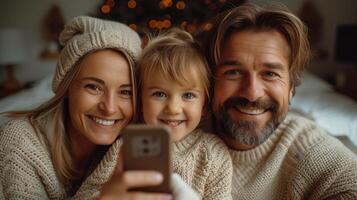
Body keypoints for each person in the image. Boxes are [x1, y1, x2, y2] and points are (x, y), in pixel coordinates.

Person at [0, 16, 198, 200]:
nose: (109, 108)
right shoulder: (19, 141)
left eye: (126, 92)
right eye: (93, 87)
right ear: (67, 88)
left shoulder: (134, 145)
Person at [202, 3, 357, 199]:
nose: (252, 94)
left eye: (270, 74)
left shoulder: (308, 146)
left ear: (291, 88)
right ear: (209, 82)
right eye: (233, 72)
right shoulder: (181, 137)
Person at [137, 28, 232, 200]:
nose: (173, 108)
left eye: (188, 95)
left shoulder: (212, 154)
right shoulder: (125, 146)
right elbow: (88, 193)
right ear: (141, 100)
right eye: (159, 94)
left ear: (204, 105)